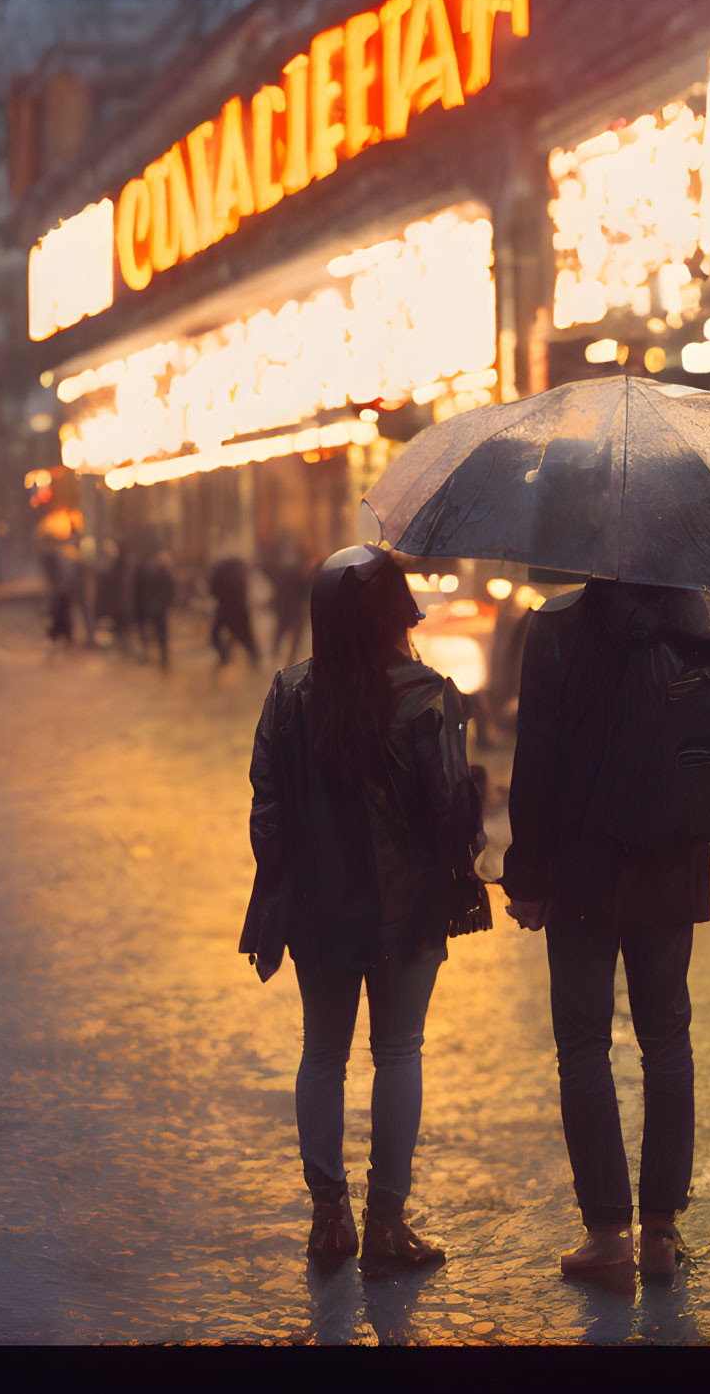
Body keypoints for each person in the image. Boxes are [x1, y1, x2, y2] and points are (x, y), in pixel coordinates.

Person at [240, 545, 490, 1275]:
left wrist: (286, 883)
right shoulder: (427, 696)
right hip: (405, 913)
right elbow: (449, 817)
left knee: (322, 1053)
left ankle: (328, 1221)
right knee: (397, 1052)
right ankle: (386, 1223)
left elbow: (267, 811)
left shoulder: (288, 695)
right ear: (394, 617)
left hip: (316, 912)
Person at [502, 577, 710, 1290]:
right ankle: (661, 1233)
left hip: (581, 863)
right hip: (667, 861)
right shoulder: (704, 619)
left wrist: (527, 870)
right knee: (665, 1036)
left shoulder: (556, 628)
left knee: (583, 1042)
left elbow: (536, 757)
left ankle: (608, 1237)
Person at [264, 534, 312, 667]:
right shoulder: (294, 562)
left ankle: (284, 658)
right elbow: (304, 583)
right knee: (285, 632)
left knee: (287, 633)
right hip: (291, 604)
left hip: (292, 604)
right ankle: (279, 657)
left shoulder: (296, 560)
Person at [209, 554, 259, 670]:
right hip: (237, 610)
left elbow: (214, 589)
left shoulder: (225, 575)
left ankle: (226, 657)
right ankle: (252, 659)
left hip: (228, 610)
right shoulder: (240, 574)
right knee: (245, 638)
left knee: (219, 636)